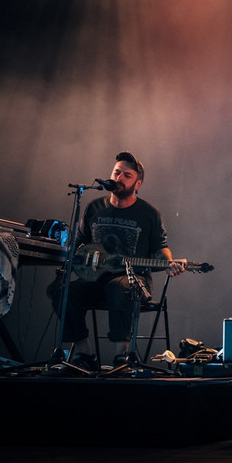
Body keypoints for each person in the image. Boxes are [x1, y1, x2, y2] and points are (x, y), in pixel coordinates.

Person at [51, 152, 185, 371]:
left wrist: (169, 263)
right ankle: (84, 353)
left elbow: (160, 248)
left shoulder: (149, 213)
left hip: (135, 280)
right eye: (117, 172)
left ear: (137, 183)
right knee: (63, 292)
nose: (120, 177)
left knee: (119, 287)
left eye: (127, 175)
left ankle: (120, 357)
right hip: (96, 280)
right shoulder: (94, 207)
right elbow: (81, 242)